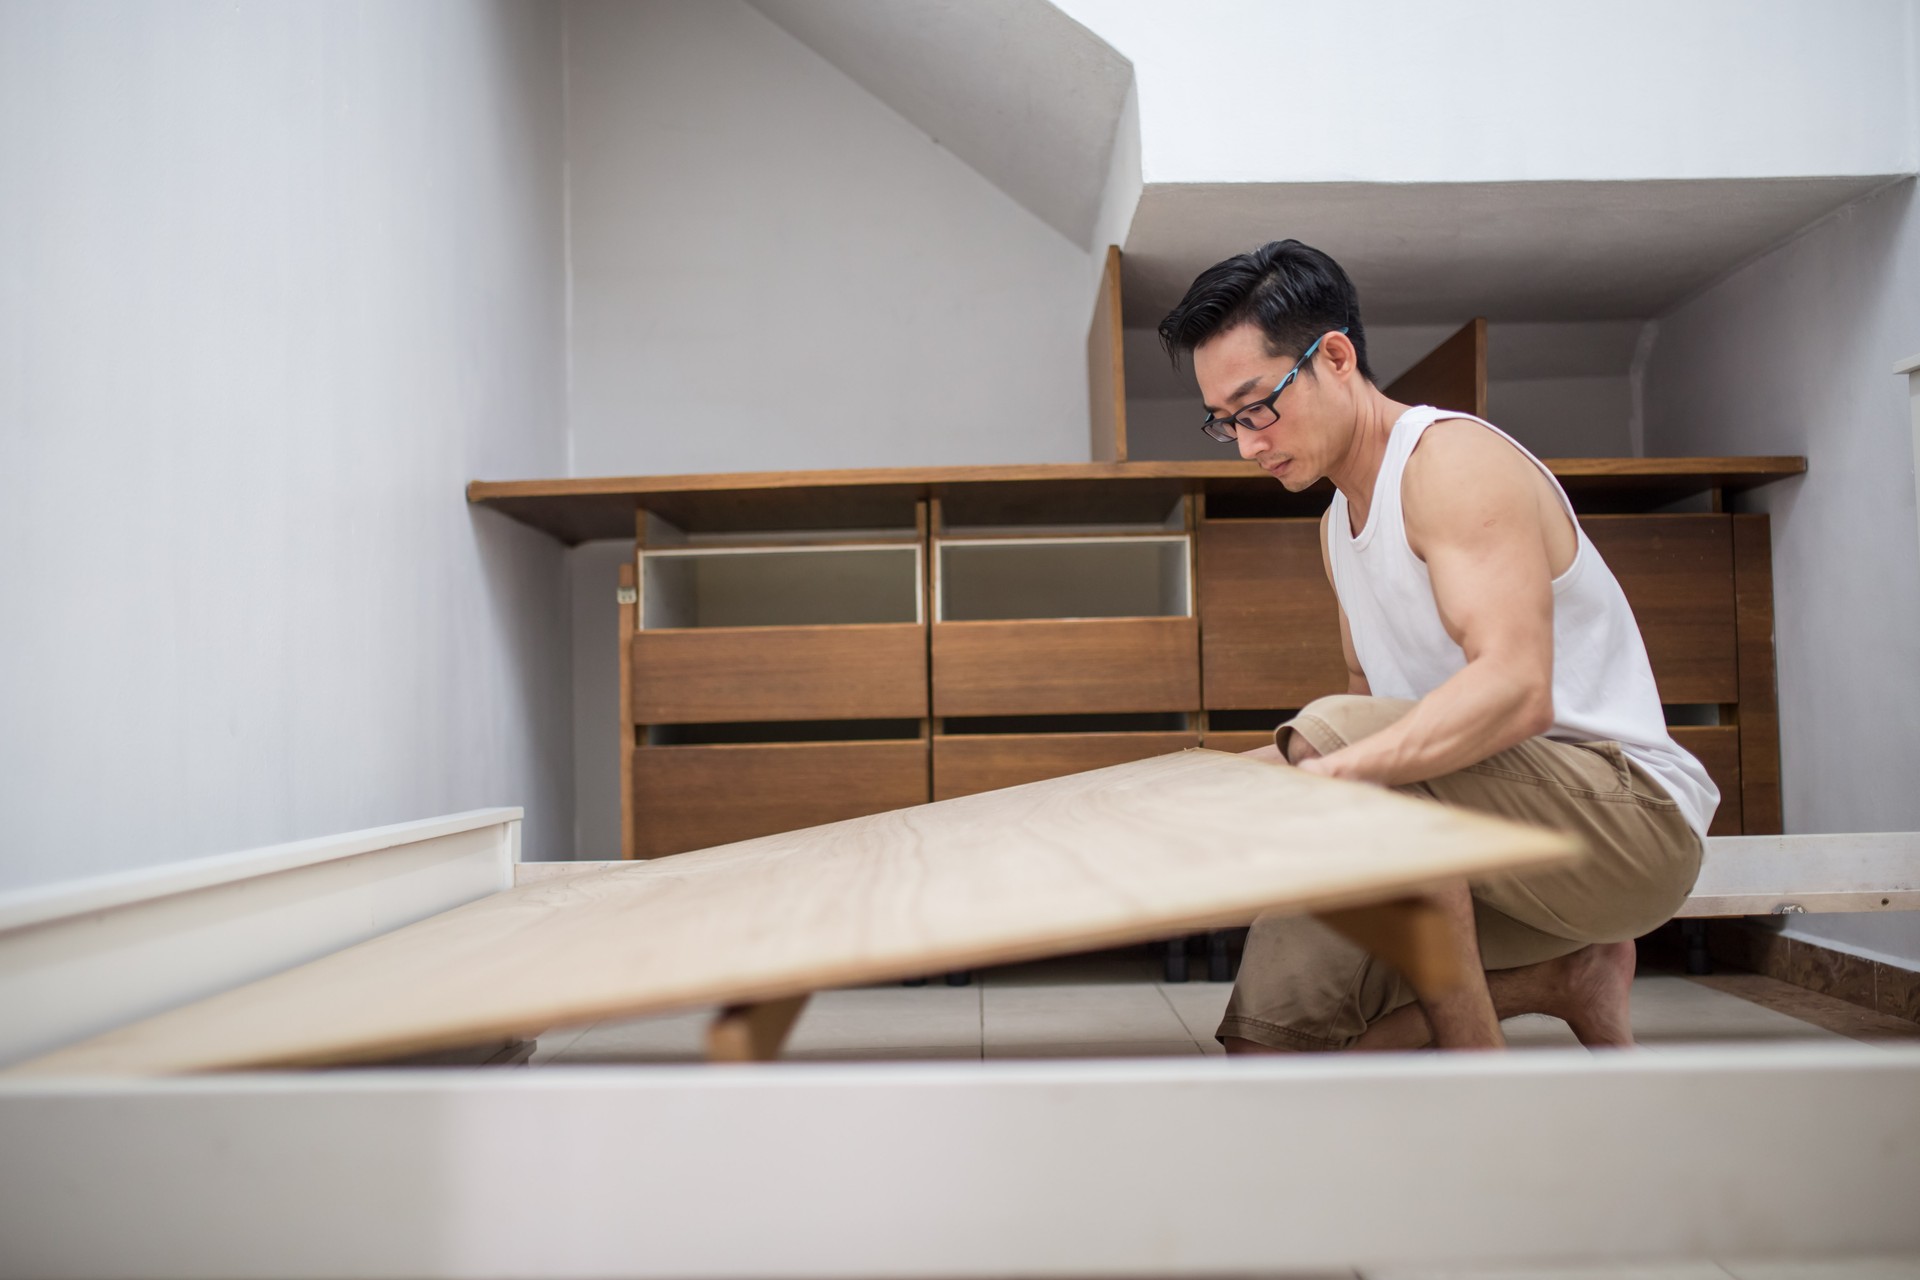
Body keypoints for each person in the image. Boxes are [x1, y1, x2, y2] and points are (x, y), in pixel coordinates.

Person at [1158, 240, 1715, 1051]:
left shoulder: (1450, 464)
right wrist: (1168, 794)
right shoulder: (1334, 528)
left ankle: (1476, 1072)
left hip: (1628, 827)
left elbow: (1516, 689)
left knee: (1341, 740)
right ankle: (1566, 978)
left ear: (1336, 356)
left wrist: (1329, 776)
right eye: (1225, 422)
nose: (1247, 443)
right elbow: (1369, 723)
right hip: (1483, 847)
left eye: (1259, 406)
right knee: (1273, 1042)